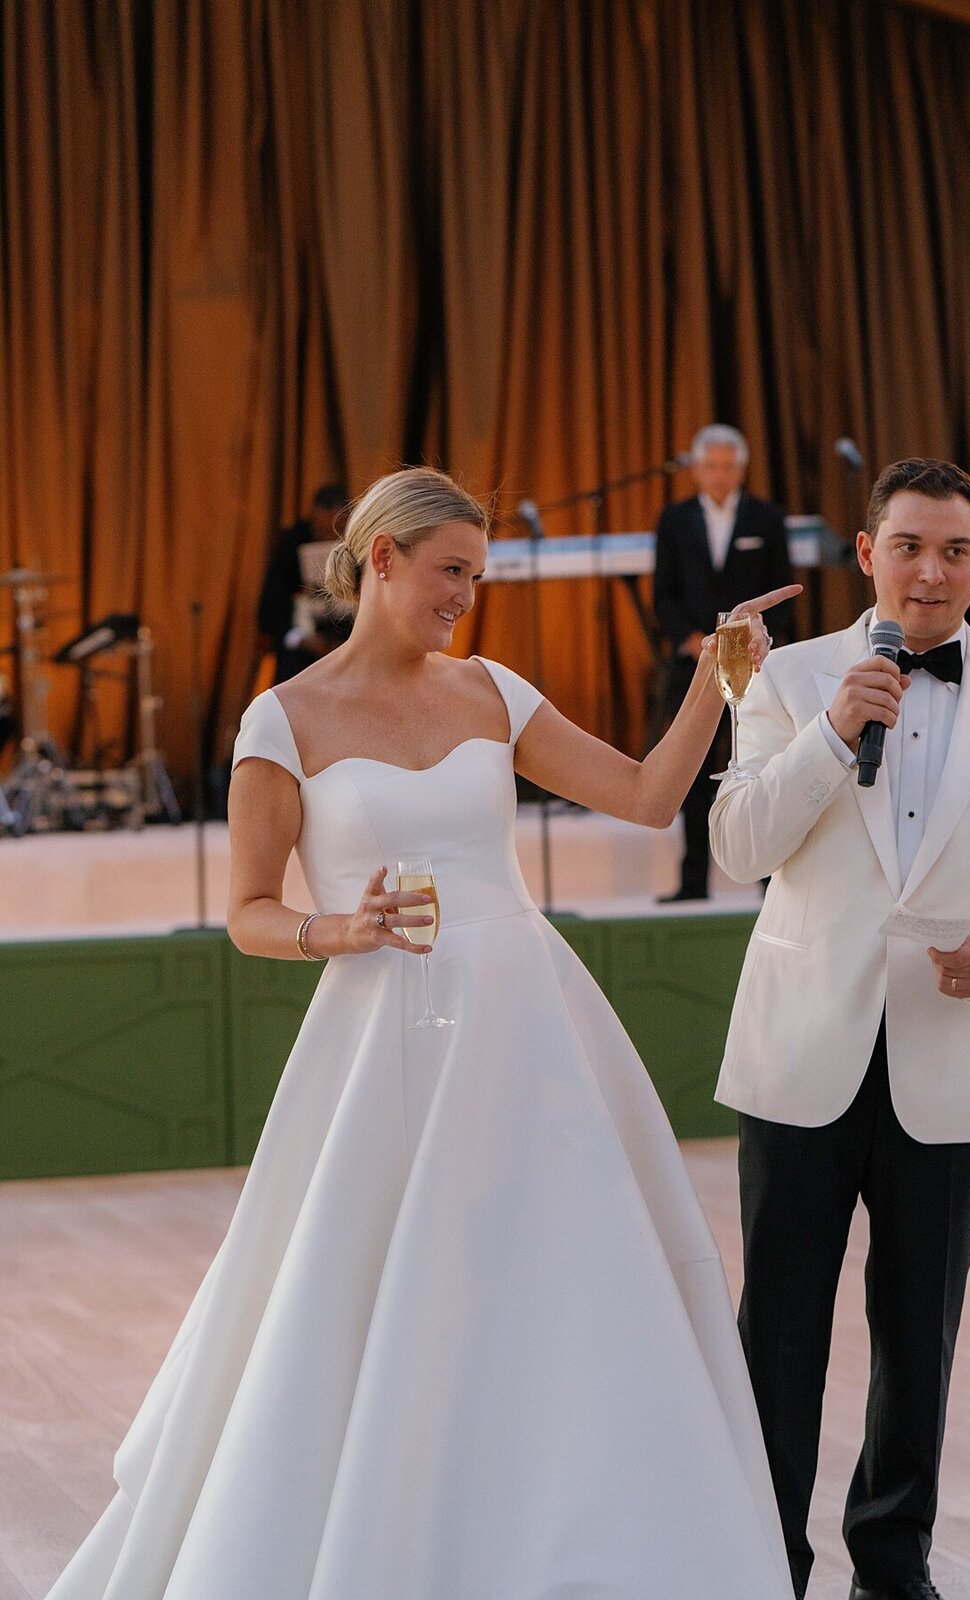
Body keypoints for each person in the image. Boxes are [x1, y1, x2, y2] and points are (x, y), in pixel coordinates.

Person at [46, 466, 802, 1600]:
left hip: (528, 1028)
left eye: (479, 577)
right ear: (381, 558)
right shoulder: (282, 718)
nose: (467, 596)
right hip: (379, 1038)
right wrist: (331, 928)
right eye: (451, 571)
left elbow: (648, 797)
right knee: (376, 1297)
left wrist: (716, 677)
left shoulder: (493, 691)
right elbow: (249, 910)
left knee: (558, 1285)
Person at [709, 459, 970, 1600]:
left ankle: (892, 1563)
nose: (929, 571)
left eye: (952, 550)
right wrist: (834, 730)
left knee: (917, 1333)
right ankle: (759, 1560)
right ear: (866, 550)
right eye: (908, 546)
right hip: (800, 1056)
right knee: (777, 1330)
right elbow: (739, 845)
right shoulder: (785, 675)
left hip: (952, 1049)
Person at [652, 424, 796, 900]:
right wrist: (691, 640)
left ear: (742, 469)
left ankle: (766, 878)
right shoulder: (673, 521)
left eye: (728, 466)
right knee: (692, 771)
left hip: (753, 669)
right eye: (711, 465)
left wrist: (754, 642)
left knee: (758, 764)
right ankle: (693, 881)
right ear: (697, 469)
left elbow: (783, 590)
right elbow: (664, 593)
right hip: (694, 665)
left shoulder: (767, 518)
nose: (719, 475)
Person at [256, 482, 352, 683]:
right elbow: (272, 603)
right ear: (314, 515)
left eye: (336, 529)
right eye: (323, 528)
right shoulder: (292, 544)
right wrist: (303, 640)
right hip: (301, 638)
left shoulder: (356, 545)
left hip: (348, 636)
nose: (329, 534)